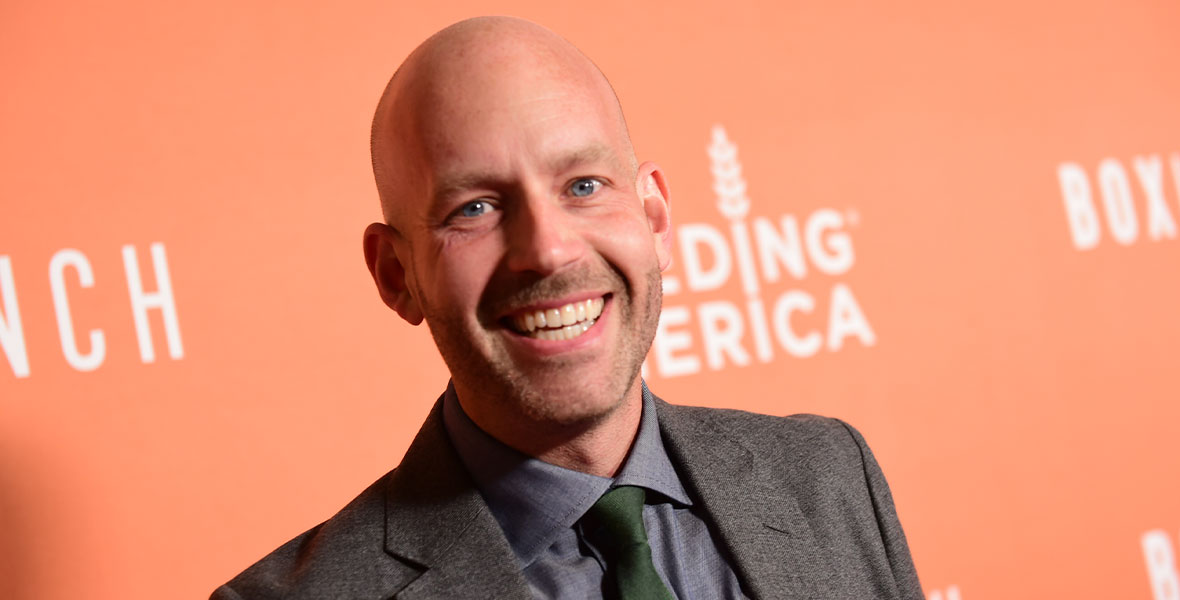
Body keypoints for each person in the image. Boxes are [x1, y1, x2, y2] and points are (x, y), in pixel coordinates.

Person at [212, 16, 923, 600]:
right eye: (477, 207)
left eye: (583, 186)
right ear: (397, 275)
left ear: (655, 217)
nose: (547, 251)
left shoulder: (827, 475)